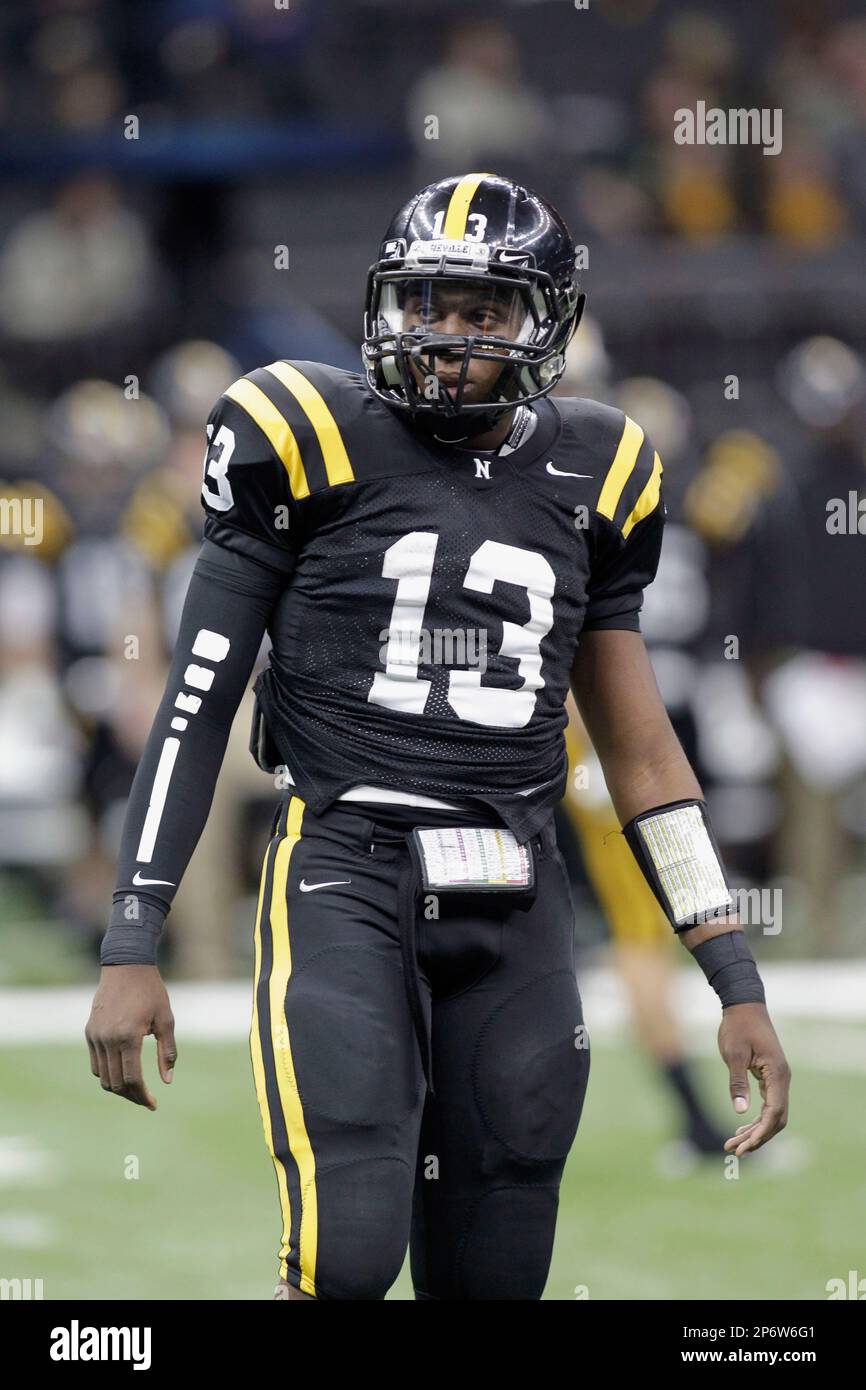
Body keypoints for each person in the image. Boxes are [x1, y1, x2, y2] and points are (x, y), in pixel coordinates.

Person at [85, 173, 790, 1301]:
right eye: (427, 303)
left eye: (482, 312)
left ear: (542, 325)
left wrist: (731, 970)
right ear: (386, 302)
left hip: (516, 895)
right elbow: (197, 695)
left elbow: (641, 751)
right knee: (348, 1253)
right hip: (347, 876)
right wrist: (134, 933)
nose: (446, 336)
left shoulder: (599, 466)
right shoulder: (302, 432)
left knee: (497, 1267)